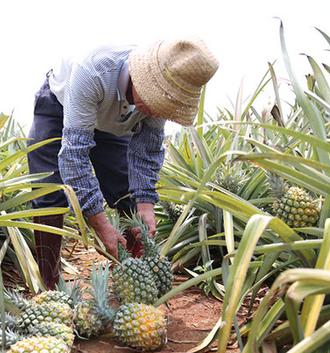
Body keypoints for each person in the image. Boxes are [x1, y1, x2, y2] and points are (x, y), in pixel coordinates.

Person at [27, 39, 219, 288]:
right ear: (142, 78)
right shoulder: (93, 71)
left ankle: (133, 276)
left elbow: (147, 151)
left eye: (163, 106)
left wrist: (146, 205)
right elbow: (74, 157)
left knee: (126, 188)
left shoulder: (158, 99)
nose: (155, 110)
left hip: (113, 121)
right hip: (60, 105)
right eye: (154, 100)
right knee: (49, 193)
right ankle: (50, 285)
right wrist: (100, 225)